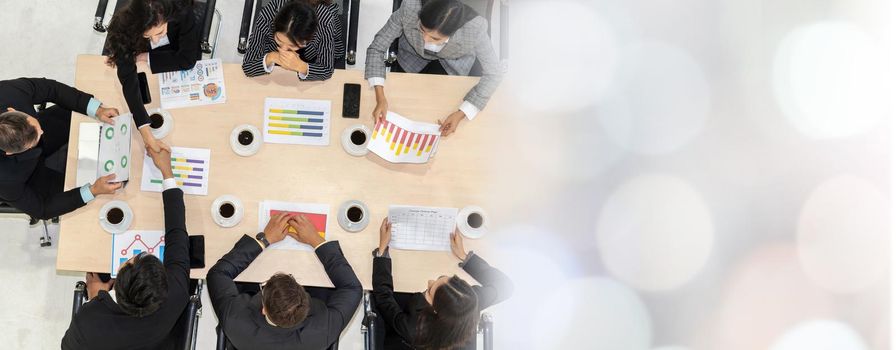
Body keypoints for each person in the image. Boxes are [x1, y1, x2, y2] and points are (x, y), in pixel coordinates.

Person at [62, 146, 191, 349]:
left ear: (119, 280)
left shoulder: (89, 322)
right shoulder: (177, 292)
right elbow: (178, 234)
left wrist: (96, 298)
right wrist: (167, 172)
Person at [208, 213, 362, 349]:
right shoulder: (323, 330)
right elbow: (352, 288)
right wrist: (316, 240)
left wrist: (263, 240)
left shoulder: (234, 319)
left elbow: (218, 273)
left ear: (264, 309)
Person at [365, 0, 502, 137]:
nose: (424, 40)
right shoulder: (410, 7)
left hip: (452, 64)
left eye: (435, 38)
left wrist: (462, 113)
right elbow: (377, 48)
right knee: (404, 107)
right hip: (411, 58)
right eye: (422, 29)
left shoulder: (474, 28)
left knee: (438, 113)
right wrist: (380, 98)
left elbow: (494, 73)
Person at [372, 218, 513, 349]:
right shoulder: (467, 301)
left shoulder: (414, 328)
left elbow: (383, 297)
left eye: (429, 291)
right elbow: (505, 286)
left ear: (435, 310)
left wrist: (382, 251)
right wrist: (464, 256)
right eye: (442, 277)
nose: (429, 281)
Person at [0, 77, 122, 220]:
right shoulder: (5, 180)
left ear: (12, 109)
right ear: (10, 152)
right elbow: (43, 209)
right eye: (34, 140)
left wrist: (97, 109)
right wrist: (92, 191)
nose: (41, 132)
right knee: (102, 198)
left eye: (36, 127)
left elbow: (52, 89)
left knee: (85, 114)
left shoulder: (8, 92)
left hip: (39, 131)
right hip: (28, 175)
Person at [105, 0, 201, 153]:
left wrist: (147, 57)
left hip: (173, 53)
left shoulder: (182, 11)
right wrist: (146, 133)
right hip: (157, 63)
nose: (155, 39)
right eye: (147, 35)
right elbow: (127, 79)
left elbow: (188, 59)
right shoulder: (126, 24)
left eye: (160, 32)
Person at [242, 0, 345, 81]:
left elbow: (326, 69)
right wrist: (272, 56)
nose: (284, 50)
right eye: (279, 40)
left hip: (314, 57)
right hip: (275, 69)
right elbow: (248, 65)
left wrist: (301, 66)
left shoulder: (324, 21)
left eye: (292, 45)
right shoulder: (268, 15)